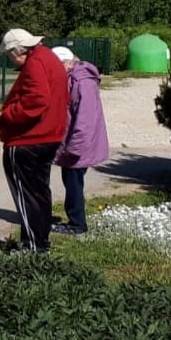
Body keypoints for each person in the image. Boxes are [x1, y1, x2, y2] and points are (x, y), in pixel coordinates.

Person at [0, 29, 70, 254]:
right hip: (48, 136)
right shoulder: (47, 57)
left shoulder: (35, 63)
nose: (11, 60)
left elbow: (37, 99)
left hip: (28, 140)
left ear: (17, 51)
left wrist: (7, 114)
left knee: (27, 194)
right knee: (39, 192)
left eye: (10, 55)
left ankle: (32, 245)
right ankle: (39, 242)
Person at [51, 46, 109, 235]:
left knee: (74, 182)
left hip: (79, 144)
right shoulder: (72, 78)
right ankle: (75, 220)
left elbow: (85, 119)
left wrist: (75, 147)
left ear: (67, 63)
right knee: (70, 181)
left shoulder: (82, 82)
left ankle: (77, 224)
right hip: (72, 142)